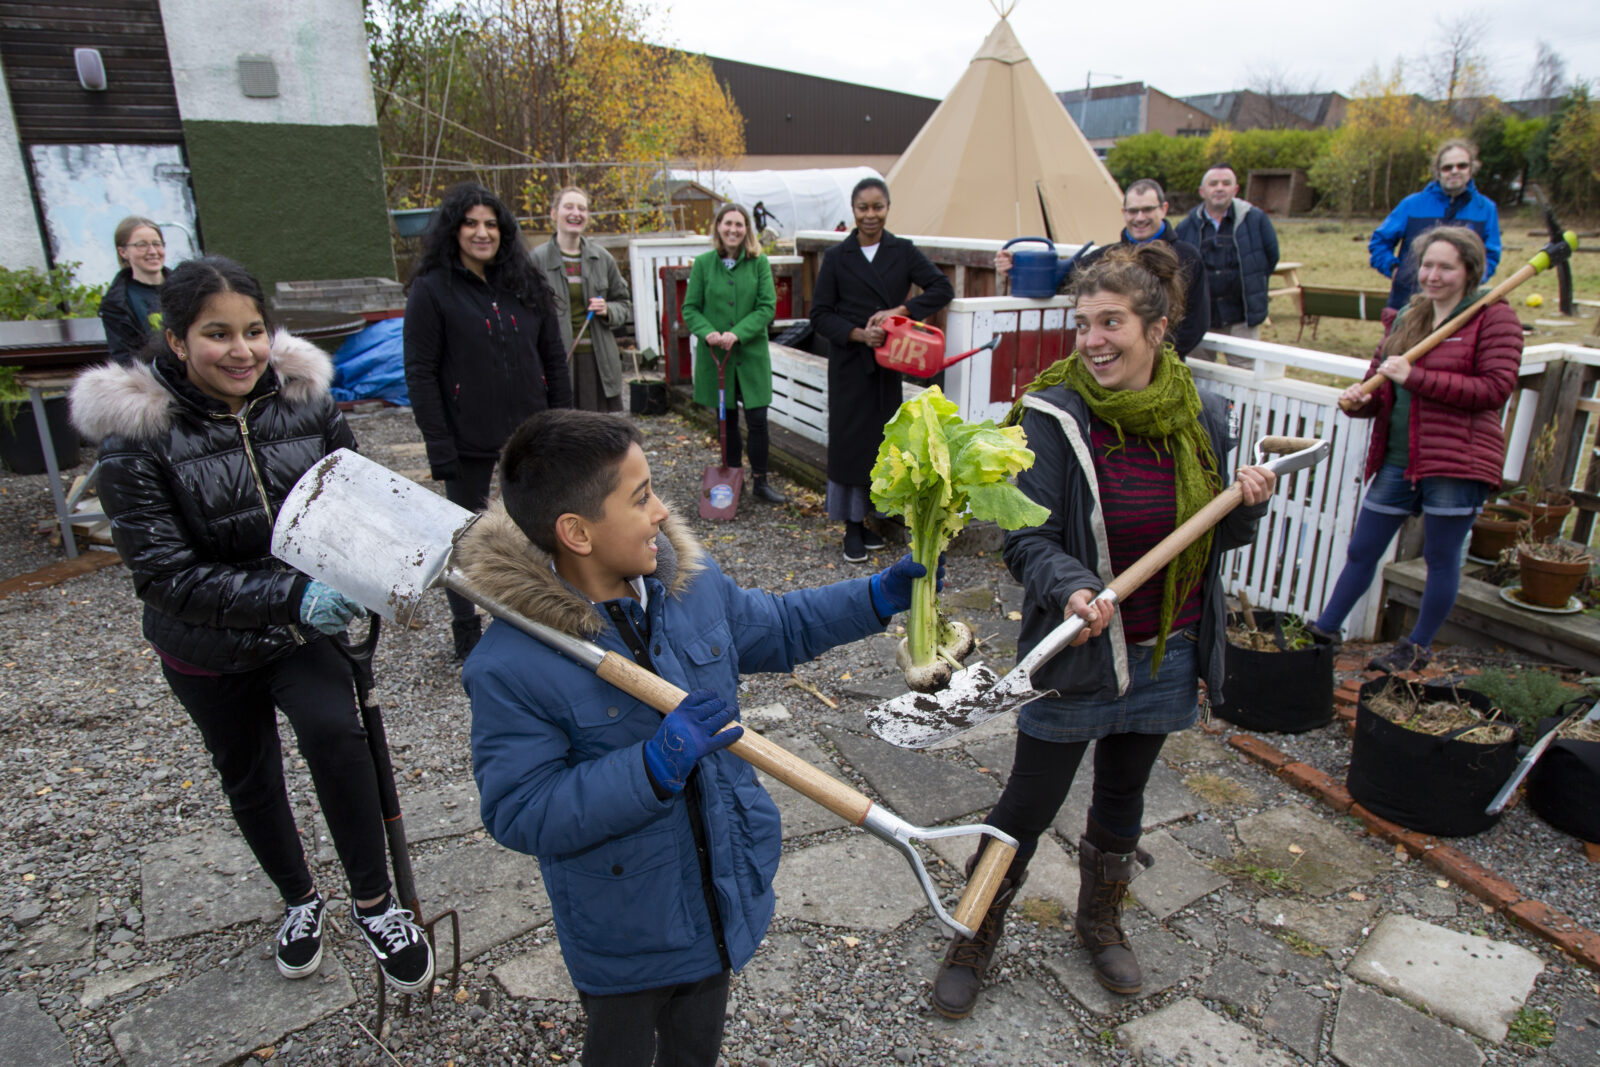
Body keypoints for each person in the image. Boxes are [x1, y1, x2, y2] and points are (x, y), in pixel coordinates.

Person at [456, 408, 932, 1066]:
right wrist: (648, 769)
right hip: (628, 935)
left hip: (720, 898)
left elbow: (779, 624)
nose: (660, 511)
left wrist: (876, 595)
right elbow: (519, 808)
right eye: (641, 495)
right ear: (576, 531)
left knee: (695, 1050)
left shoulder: (686, 588)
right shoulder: (513, 664)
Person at [68, 256, 435, 994]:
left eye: (253, 331)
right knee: (249, 773)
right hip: (206, 642)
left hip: (304, 632)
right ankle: (299, 897)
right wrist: (290, 598)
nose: (240, 350)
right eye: (216, 334)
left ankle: (375, 902)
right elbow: (165, 576)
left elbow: (355, 502)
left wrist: (401, 560)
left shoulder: (304, 405)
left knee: (339, 739)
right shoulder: (134, 440)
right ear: (175, 340)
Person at [930, 243, 1275, 1020]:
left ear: (1158, 327)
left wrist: (1246, 504)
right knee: (1025, 804)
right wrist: (1074, 583)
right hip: (1080, 650)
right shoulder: (1054, 415)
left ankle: (1099, 917)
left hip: (1166, 646)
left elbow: (1214, 541)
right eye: (1083, 323)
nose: (1092, 340)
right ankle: (975, 929)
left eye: (1111, 321)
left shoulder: (1203, 417)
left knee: (1124, 793)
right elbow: (1025, 539)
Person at [1311, 227, 1520, 673]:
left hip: (1456, 461)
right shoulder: (1409, 316)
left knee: (1440, 558)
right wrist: (1361, 401)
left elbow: (1495, 389)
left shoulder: (1492, 317)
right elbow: (1382, 381)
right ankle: (1323, 631)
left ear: (1469, 271)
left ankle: (1417, 647)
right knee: (1363, 549)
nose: (1433, 275)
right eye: (1427, 264)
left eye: (1446, 266)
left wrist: (1416, 377)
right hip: (1399, 459)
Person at [404, 182, 573, 660]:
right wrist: (439, 444)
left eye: (491, 224)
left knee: (538, 529)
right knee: (466, 538)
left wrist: (562, 425)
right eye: (471, 224)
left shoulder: (524, 284)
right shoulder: (432, 290)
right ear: (454, 231)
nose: (482, 233)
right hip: (468, 439)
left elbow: (554, 359)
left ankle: (540, 614)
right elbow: (420, 371)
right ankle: (466, 628)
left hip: (530, 438)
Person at [810, 177, 954, 563]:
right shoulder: (838, 257)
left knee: (883, 442)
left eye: (878, 207)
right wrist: (858, 334)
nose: (870, 215)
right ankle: (851, 528)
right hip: (850, 364)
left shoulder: (902, 251)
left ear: (888, 208)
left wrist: (900, 311)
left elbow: (941, 288)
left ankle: (873, 518)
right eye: (863, 208)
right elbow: (819, 314)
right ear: (853, 211)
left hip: (890, 363)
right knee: (849, 443)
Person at [993, 179, 1210, 358]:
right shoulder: (1105, 258)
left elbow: (1196, 322)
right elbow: (1058, 280)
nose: (1139, 218)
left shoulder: (1186, 257)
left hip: (1166, 364)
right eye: (1133, 211)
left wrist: (1156, 356)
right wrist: (1015, 266)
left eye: (1147, 210)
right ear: (1123, 212)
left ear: (1163, 210)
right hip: (1114, 362)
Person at [682, 202, 785, 505]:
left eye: (739, 225)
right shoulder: (703, 264)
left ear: (747, 230)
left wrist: (737, 333)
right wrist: (708, 332)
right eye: (728, 224)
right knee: (725, 420)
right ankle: (733, 478)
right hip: (718, 359)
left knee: (757, 420)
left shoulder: (759, 264)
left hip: (750, 356)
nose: (733, 230)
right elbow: (690, 308)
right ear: (718, 227)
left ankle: (761, 482)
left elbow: (767, 306)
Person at [531, 186, 634, 413]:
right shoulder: (536, 260)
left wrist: (608, 309)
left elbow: (624, 304)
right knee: (560, 430)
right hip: (556, 360)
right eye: (568, 207)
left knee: (594, 433)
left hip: (596, 363)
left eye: (582, 208)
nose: (575, 213)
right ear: (553, 213)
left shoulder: (602, 258)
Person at [1368, 138, 1502, 310]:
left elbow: (1490, 256)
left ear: (1471, 169)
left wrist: (1472, 279)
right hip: (1407, 303)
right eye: (1447, 167)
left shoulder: (1486, 209)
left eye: (1461, 166)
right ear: (1438, 171)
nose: (1454, 171)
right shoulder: (1412, 205)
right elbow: (1379, 242)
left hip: (1459, 307)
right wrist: (1395, 271)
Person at [1175, 162, 1279, 367]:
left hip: (1242, 317)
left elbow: (1271, 257)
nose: (1220, 188)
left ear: (1236, 189)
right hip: (1201, 317)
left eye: (1226, 183)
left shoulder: (1255, 220)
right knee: (1199, 372)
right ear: (1202, 191)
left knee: (1245, 372)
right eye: (1213, 184)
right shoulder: (1187, 227)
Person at [99, 216, 170, 365]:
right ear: (123, 252)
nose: (152, 251)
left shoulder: (188, 288)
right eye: (141, 245)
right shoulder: (116, 304)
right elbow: (125, 358)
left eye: (157, 244)